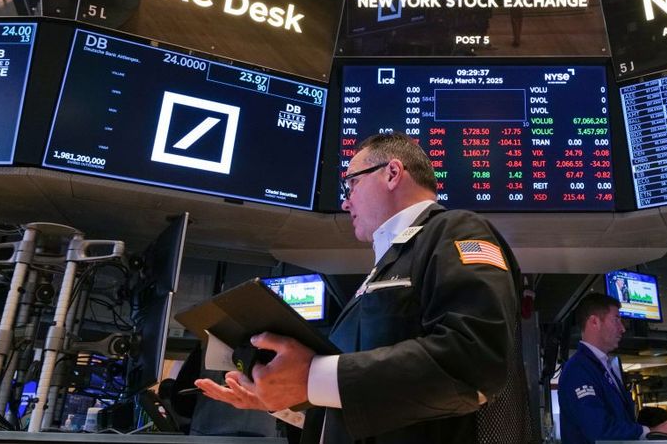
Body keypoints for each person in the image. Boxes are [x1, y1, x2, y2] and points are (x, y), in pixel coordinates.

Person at [195, 132, 528, 444]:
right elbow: (366, 407)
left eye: (351, 184)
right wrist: (286, 398)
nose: (346, 202)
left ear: (392, 173)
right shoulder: (383, 269)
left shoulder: (455, 230)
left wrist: (312, 377)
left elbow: (474, 359)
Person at [558, 293, 667, 442]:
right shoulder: (578, 369)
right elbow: (599, 429)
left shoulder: (605, 366)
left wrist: (663, 431)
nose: (622, 328)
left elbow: (621, 422)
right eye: (616, 320)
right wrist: (649, 431)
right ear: (594, 322)